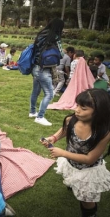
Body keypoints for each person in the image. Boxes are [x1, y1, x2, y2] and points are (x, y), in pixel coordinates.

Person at [40, 88, 110, 217]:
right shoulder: (72, 119)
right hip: (71, 163)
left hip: (88, 170)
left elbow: (90, 159)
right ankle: (73, 184)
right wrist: (53, 138)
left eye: (84, 109)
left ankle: (90, 214)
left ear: (99, 112)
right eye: (77, 105)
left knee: (86, 200)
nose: (77, 110)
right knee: (72, 179)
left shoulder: (103, 132)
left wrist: (63, 153)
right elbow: (65, 130)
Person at [29, 18, 64, 126]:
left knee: (35, 91)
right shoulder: (55, 38)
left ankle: (32, 112)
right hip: (44, 69)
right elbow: (61, 54)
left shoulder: (41, 34)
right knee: (49, 94)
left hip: (35, 67)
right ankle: (40, 117)